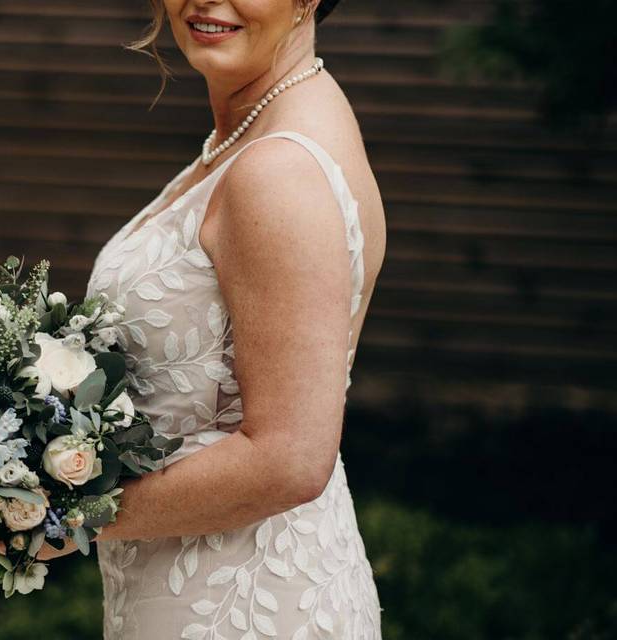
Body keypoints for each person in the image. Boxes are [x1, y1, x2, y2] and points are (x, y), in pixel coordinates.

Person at [40, 1, 385, 637]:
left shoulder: (278, 170)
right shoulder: (252, 134)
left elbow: (290, 460)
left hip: (243, 607)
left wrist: (61, 511)